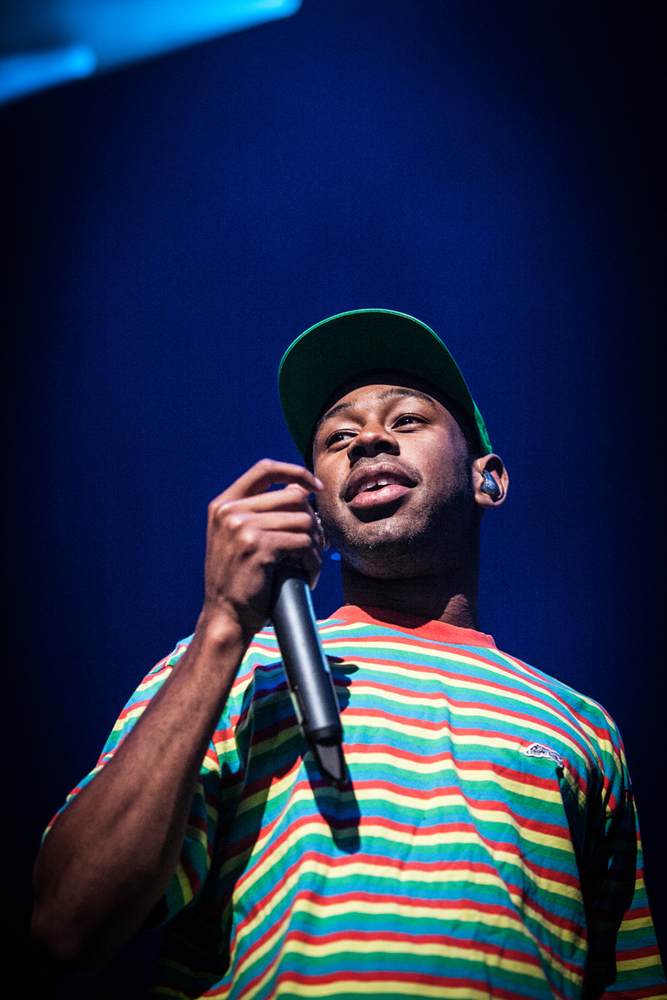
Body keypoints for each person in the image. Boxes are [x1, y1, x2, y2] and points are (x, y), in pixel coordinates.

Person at [32, 309, 665, 1000]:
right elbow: (71, 923)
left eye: (406, 420)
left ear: (488, 480)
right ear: (315, 507)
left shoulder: (581, 727)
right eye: (337, 436)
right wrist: (220, 624)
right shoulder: (230, 669)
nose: (367, 439)